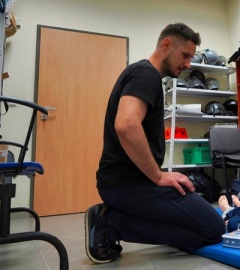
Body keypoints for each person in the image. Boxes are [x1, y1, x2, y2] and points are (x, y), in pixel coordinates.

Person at [84, 23, 225, 264]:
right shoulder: (146, 74)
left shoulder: (146, 76)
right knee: (212, 229)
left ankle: (115, 217)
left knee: (199, 220)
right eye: (185, 55)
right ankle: (110, 224)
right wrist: (158, 176)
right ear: (166, 45)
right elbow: (126, 125)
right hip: (127, 185)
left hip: (127, 183)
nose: (189, 64)